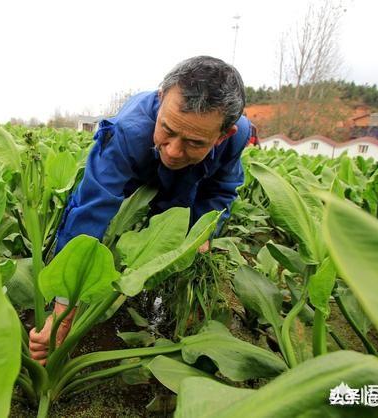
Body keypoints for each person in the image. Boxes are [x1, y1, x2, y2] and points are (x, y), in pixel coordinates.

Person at [29, 55, 251, 365]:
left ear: (222, 135)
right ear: (161, 101)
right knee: (100, 226)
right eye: (168, 130)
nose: (174, 151)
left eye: (193, 141)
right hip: (140, 164)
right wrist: (65, 308)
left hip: (190, 179)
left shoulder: (237, 136)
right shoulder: (128, 131)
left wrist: (202, 232)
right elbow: (91, 209)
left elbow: (222, 190)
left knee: (180, 229)